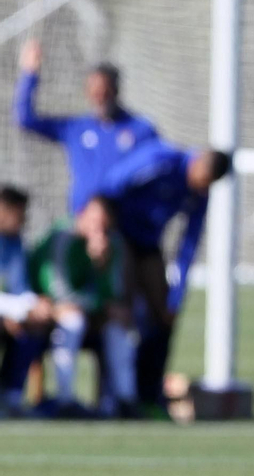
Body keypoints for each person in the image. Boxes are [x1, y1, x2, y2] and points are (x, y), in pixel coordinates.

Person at [95, 138, 233, 413]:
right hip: (119, 235)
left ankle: (149, 395)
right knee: (122, 310)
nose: (201, 187)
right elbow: (111, 185)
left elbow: (188, 244)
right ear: (198, 163)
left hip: (148, 245)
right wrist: (100, 229)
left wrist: (176, 297)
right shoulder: (161, 160)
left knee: (164, 317)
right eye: (202, 179)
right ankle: (113, 397)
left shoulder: (199, 194)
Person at [14, 40, 159, 214]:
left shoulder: (141, 129)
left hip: (124, 227)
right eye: (94, 91)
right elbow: (25, 119)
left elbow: (158, 170)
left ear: (116, 90)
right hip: (81, 222)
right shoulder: (75, 129)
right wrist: (30, 73)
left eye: (104, 91)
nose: (99, 97)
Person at [28, 196, 138, 417]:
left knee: (119, 328)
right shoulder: (62, 237)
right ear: (83, 215)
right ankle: (65, 400)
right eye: (94, 220)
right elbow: (58, 290)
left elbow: (112, 293)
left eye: (104, 224)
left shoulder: (112, 243)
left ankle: (125, 400)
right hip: (45, 306)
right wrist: (98, 305)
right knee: (72, 323)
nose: (98, 229)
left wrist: (101, 264)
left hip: (89, 310)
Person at [0, 185, 53, 415]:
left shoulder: (15, 243)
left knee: (36, 325)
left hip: (9, 313)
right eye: (19, 213)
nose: (23, 220)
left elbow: (21, 288)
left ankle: (10, 395)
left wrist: (36, 305)